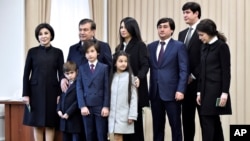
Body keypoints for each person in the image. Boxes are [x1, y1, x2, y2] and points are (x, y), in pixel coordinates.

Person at [61, 18, 112, 141]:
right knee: (83, 133)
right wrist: (63, 78)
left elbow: (110, 71)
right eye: (80, 30)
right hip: (78, 99)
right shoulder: (73, 48)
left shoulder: (103, 46)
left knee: (100, 134)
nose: (82, 32)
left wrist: (106, 104)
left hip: (98, 100)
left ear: (93, 31)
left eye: (85, 30)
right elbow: (68, 67)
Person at [147, 18, 189, 141]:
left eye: (165, 27)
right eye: (159, 27)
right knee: (157, 127)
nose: (162, 29)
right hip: (155, 93)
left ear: (172, 30)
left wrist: (181, 90)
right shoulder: (151, 46)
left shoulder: (179, 46)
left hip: (173, 94)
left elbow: (184, 70)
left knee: (175, 127)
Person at [22, 23, 64, 141]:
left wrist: (61, 94)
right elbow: (26, 75)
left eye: (46, 33)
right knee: (37, 122)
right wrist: (25, 94)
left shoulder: (58, 52)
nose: (43, 36)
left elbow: (62, 75)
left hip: (53, 91)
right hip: (35, 92)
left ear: (51, 35)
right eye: (40, 34)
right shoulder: (32, 52)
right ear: (37, 36)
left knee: (51, 122)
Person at [196, 19, 232, 141]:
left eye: (202, 35)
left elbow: (226, 72)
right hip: (204, 91)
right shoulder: (204, 47)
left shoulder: (222, 47)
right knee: (214, 122)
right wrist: (199, 92)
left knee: (207, 121)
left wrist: (224, 93)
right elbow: (201, 71)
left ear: (210, 32)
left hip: (216, 91)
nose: (200, 38)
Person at [115, 17, 149, 141]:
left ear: (132, 28)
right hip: (121, 91)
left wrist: (139, 77)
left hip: (135, 88)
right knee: (123, 125)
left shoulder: (140, 45)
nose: (122, 30)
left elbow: (145, 65)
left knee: (135, 124)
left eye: (125, 27)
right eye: (121, 27)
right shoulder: (118, 47)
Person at [177, 2, 202, 141]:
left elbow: (204, 58)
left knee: (205, 120)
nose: (184, 15)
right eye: (184, 13)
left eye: (187, 12)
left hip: (200, 83)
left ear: (196, 13)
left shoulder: (205, 30)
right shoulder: (182, 34)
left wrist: (193, 75)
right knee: (187, 119)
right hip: (185, 85)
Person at [76, 40, 110, 141]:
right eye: (87, 52)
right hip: (86, 106)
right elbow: (79, 87)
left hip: (100, 106)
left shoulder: (104, 68)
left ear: (97, 52)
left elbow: (106, 88)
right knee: (89, 135)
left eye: (92, 51)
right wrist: (82, 106)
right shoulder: (82, 68)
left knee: (101, 135)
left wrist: (106, 106)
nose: (89, 54)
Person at [109, 51, 138, 141]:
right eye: (120, 61)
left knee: (118, 137)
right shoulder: (111, 77)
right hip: (111, 114)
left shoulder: (130, 77)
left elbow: (134, 98)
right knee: (113, 136)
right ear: (115, 63)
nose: (123, 63)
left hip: (124, 114)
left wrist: (132, 115)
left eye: (125, 61)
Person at [57, 61, 82, 141]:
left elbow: (77, 101)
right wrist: (58, 110)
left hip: (74, 119)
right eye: (67, 73)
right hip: (64, 119)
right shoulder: (64, 84)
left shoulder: (78, 84)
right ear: (64, 74)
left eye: (72, 73)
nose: (70, 75)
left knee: (75, 139)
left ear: (76, 72)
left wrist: (68, 113)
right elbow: (60, 99)